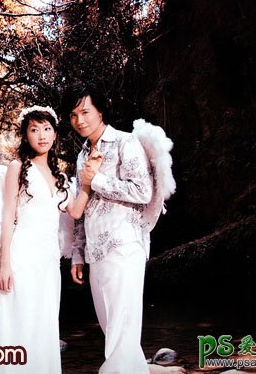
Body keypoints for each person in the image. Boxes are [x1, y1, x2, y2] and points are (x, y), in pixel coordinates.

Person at [0, 105, 90, 373]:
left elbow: (75, 212)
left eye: (47, 129)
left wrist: (86, 183)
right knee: (14, 318)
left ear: (55, 134)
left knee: (42, 320)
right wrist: (4, 263)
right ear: (26, 135)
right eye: (34, 130)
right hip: (22, 256)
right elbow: (8, 216)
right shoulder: (17, 168)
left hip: (48, 261)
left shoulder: (61, 178)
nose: (42, 136)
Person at [62, 83, 154, 374]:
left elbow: (143, 191)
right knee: (112, 328)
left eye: (85, 112)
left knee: (122, 328)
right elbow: (82, 206)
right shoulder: (81, 156)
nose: (79, 120)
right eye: (73, 115)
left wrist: (97, 180)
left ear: (100, 111)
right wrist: (77, 254)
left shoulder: (125, 142)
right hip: (96, 252)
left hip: (124, 244)